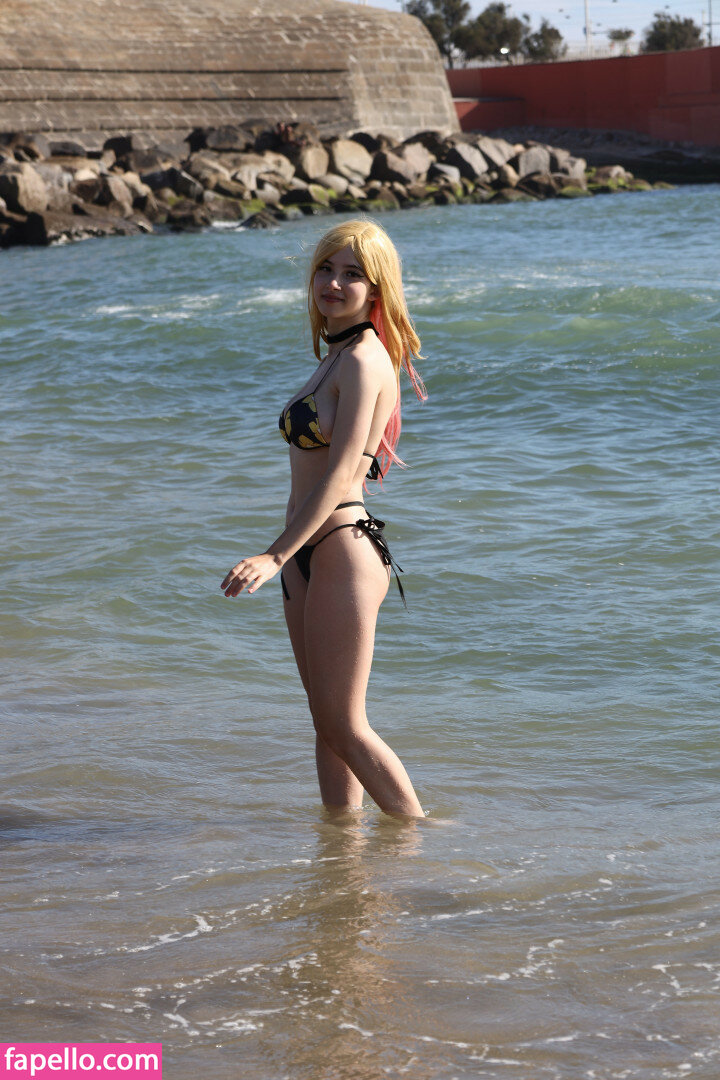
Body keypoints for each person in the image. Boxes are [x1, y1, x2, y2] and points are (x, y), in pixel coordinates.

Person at [220, 219, 426, 819]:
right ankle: (343, 853)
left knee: (345, 723)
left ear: (376, 288)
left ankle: (420, 842)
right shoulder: (335, 357)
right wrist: (288, 557)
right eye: (325, 269)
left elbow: (342, 476)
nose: (333, 283)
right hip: (308, 553)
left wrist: (274, 554)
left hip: (341, 548)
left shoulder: (364, 360)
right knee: (325, 722)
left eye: (352, 274)